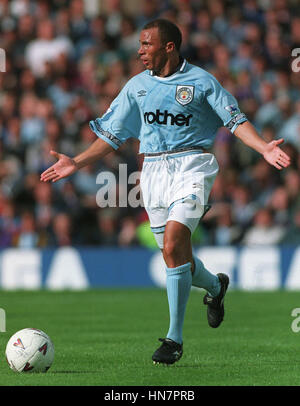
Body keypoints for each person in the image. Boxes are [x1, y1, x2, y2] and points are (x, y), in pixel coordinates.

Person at [40, 19, 291, 365]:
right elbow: (112, 136)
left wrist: (263, 148)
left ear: (168, 46)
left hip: (193, 166)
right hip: (153, 172)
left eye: (146, 44)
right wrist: (77, 162)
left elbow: (235, 120)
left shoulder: (201, 82)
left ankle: (174, 339)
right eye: (140, 45)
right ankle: (216, 287)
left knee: (174, 244)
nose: (140, 51)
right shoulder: (136, 87)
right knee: (176, 258)